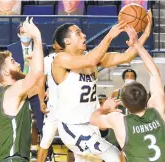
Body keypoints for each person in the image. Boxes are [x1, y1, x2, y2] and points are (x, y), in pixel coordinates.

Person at [52, 10, 152, 161]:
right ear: (67, 41)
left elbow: (126, 56)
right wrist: (110, 35)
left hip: (91, 124)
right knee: (115, 156)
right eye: (78, 33)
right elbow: (91, 60)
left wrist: (145, 33)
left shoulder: (93, 58)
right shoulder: (61, 59)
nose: (84, 35)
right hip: (72, 127)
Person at [90, 25, 165, 162]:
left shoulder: (118, 119)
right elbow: (154, 73)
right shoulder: (157, 111)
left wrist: (105, 108)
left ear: (124, 105)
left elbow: (93, 119)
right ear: (147, 97)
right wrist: (137, 45)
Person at [0, 17, 44, 162]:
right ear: (6, 72)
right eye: (12, 62)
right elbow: (38, 74)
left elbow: (36, 86)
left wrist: (32, 66)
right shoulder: (13, 90)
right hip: (13, 159)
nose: (18, 63)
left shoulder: (12, 92)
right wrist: (36, 36)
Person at [38, 36, 75, 162]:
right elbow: (40, 82)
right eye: (58, 43)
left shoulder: (75, 59)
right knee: (45, 142)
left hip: (72, 108)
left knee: (75, 145)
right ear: (53, 45)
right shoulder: (47, 60)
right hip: (53, 108)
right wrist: (42, 101)